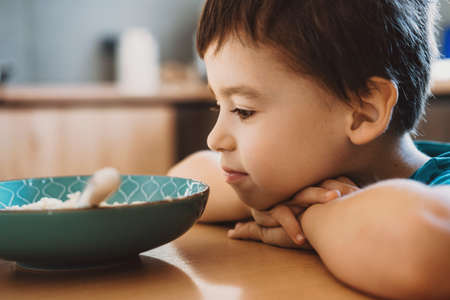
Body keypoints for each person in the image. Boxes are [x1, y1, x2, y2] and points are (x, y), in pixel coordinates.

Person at [168, 1, 450, 299]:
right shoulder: (306, 173)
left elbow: (422, 248)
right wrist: (269, 203)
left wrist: (310, 219)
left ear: (362, 112)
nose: (214, 139)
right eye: (219, 105)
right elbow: (183, 182)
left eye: (243, 110)